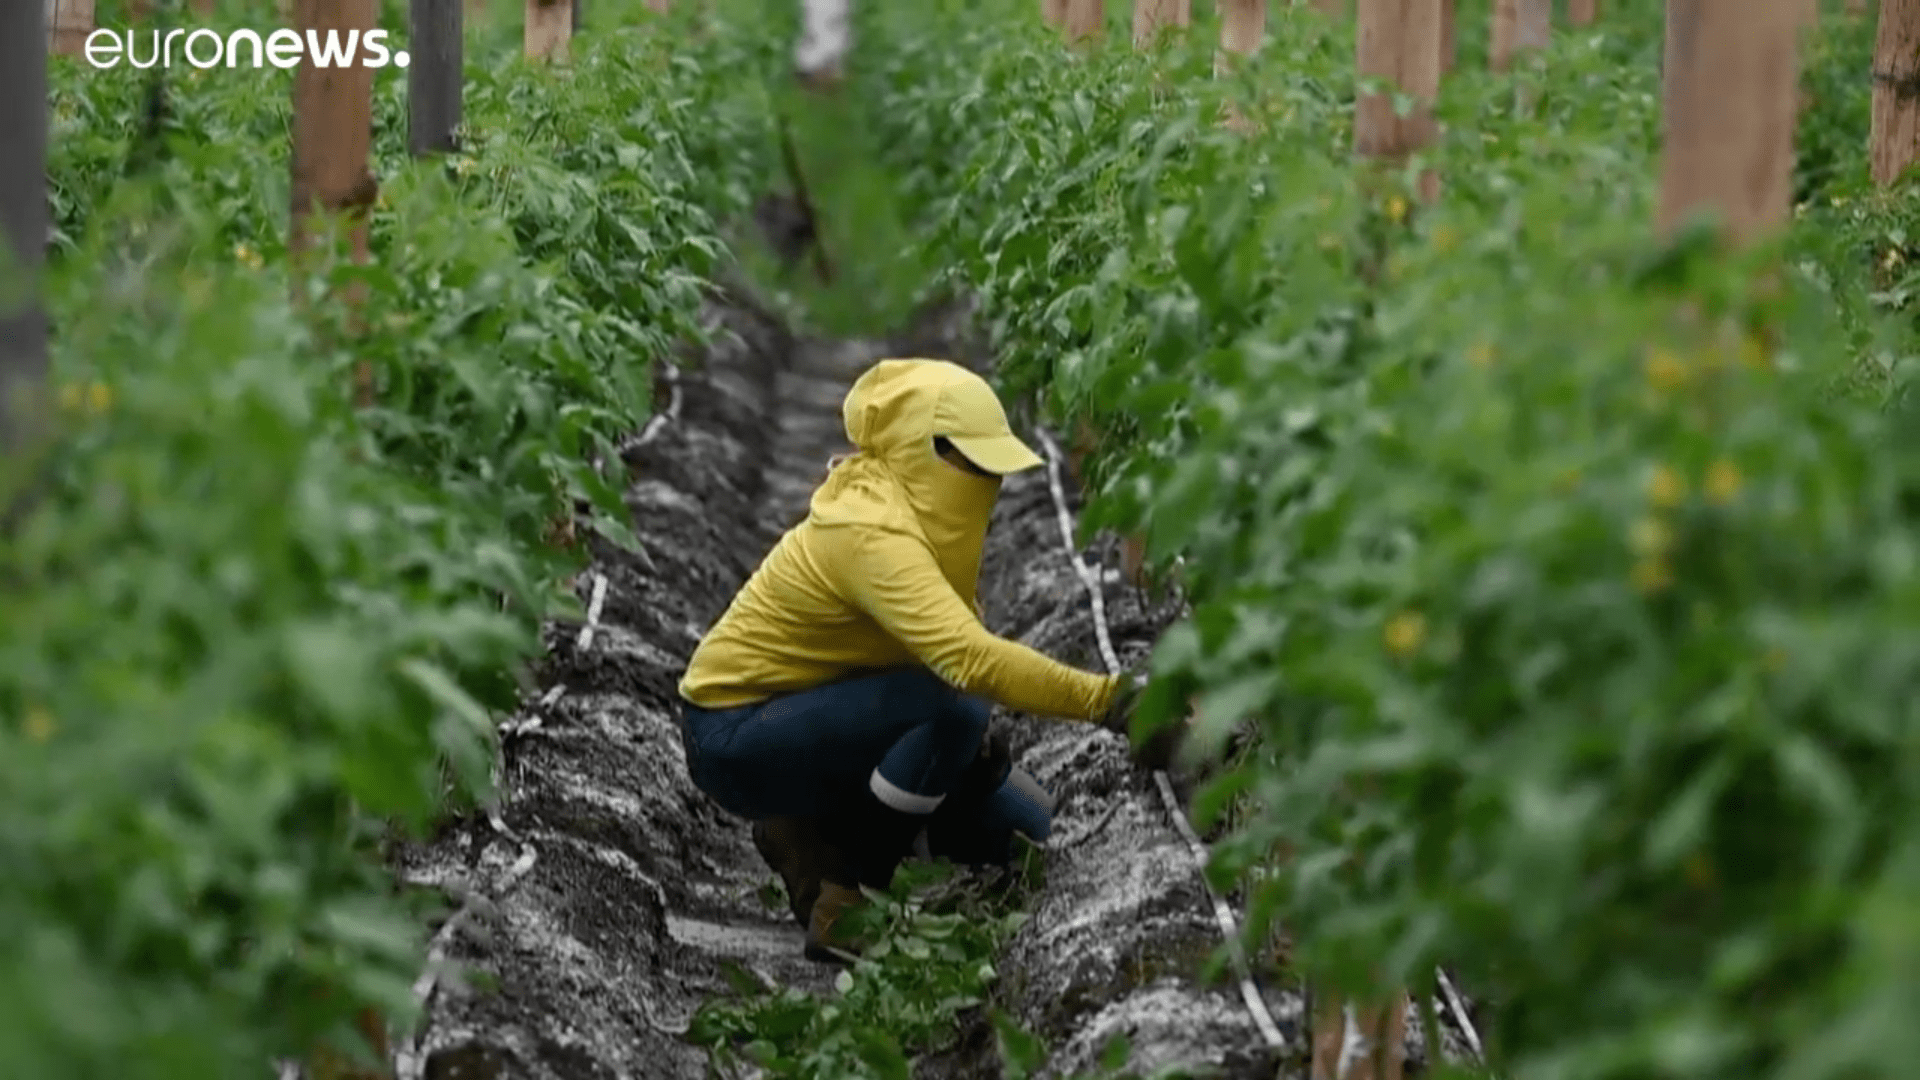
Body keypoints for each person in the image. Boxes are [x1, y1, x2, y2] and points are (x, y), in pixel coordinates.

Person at [675, 358, 1141, 963]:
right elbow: (970, 662)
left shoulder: (923, 521)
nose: (986, 481)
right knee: (955, 705)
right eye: (973, 463)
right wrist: (1111, 702)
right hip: (735, 733)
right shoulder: (871, 530)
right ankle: (846, 898)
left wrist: (971, 763)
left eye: (992, 467)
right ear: (926, 451)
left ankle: (804, 831)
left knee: (1025, 827)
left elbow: (957, 639)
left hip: (821, 720)